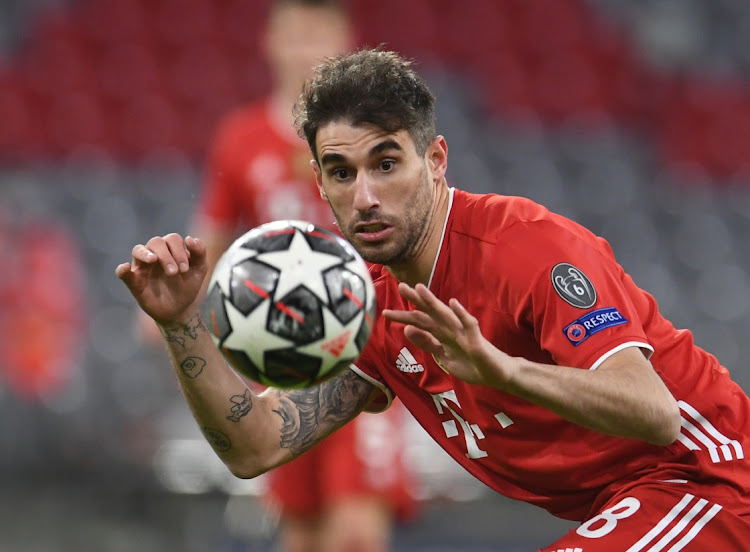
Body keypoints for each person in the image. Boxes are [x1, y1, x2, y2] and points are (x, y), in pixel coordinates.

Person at [117, 48, 750, 550]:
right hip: (622, 507)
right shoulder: (365, 306)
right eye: (342, 172)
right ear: (320, 182)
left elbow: (656, 412)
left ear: (437, 160)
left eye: (386, 164)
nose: (364, 195)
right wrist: (180, 326)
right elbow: (256, 446)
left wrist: (504, 371)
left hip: (706, 479)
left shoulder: (528, 248)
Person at [134, 3, 416, 552]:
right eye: (296, 35)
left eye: (320, 35)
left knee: (356, 531)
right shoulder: (241, 138)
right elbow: (212, 241)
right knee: (301, 531)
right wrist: (175, 304)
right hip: (283, 360)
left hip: (365, 348)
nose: (307, 49)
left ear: (347, 41)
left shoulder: (373, 138)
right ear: (270, 42)